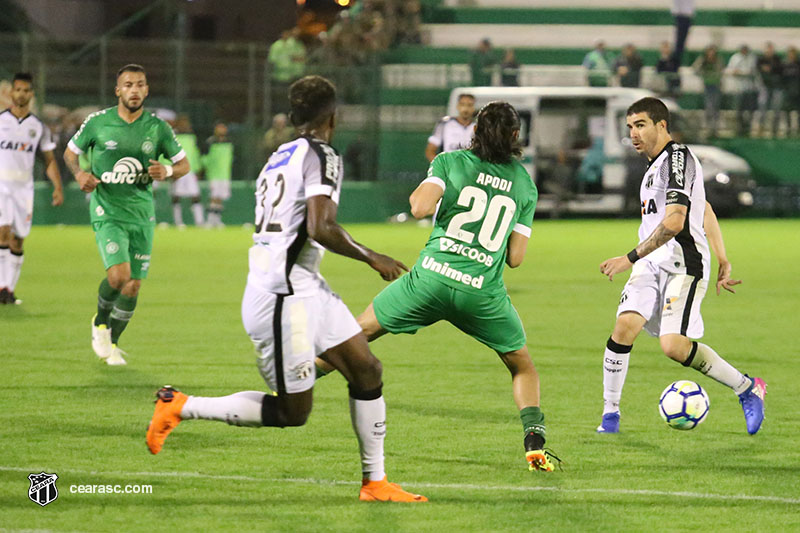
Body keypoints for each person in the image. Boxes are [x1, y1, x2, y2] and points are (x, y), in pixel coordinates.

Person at [145, 75, 427, 503]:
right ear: (334, 116)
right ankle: (180, 405)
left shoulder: (280, 153)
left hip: (304, 285)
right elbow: (321, 226)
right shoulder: (323, 155)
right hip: (282, 298)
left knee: (367, 369)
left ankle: (375, 483)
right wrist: (374, 257)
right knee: (293, 413)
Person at [319, 101, 558, 472]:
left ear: (475, 132)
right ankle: (534, 440)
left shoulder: (450, 162)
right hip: (481, 293)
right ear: (515, 136)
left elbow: (418, 208)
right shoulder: (525, 185)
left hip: (429, 279)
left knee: (355, 336)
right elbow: (515, 258)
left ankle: (291, 381)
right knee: (522, 367)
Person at [596, 97, 766, 435]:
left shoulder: (677, 159)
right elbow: (704, 210)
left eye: (641, 125)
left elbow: (674, 223)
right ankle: (610, 415)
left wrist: (627, 258)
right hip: (651, 264)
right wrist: (724, 257)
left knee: (673, 347)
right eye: (630, 127)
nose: (634, 133)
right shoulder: (653, 166)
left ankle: (747, 388)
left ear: (662, 125)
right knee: (624, 328)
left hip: (681, 264)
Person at [64, 64, 190, 365]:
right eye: (128, 84)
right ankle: (101, 323)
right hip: (107, 209)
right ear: (118, 90)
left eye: (140, 84)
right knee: (119, 276)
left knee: (133, 285)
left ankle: (113, 342)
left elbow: (183, 165)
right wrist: (80, 173)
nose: (134, 90)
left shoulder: (157, 128)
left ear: (146, 90)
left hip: (141, 212)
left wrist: (168, 170)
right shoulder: (98, 122)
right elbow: (70, 153)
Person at [0, 72, 63, 305]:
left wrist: (57, 187)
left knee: (18, 240)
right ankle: (1, 287)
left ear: (31, 94)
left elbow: (49, 160)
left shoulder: (38, 127)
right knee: (2, 232)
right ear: (11, 93)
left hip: (23, 190)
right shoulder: (1, 121)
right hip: (2, 187)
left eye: (26, 90)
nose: (22, 94)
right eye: (18, 90)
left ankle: (10, 289)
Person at [169, 114, 204, 227]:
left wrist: (198, 169)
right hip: (178, 169)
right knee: (176, 197)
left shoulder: (191, 137)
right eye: (182, 123)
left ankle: (199, 222)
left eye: (186, 123)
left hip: (191, 171)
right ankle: (178, 222)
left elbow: (194, 153)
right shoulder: (173, 136)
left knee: (195, 196)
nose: (185, 125)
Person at [425, 93, 476, 163]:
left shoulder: (479, 127)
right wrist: (441, 168)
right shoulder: (445, 124)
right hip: (449, 170)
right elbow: (430, 151)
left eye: (469, 105)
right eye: (462, 104)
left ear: (473, 108)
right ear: (457, 106)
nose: (465, 109)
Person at [203, 121, 234, 228]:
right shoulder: (210, 142)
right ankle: (210, 220)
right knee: (213, 197)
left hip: (225, 174)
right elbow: (205, 158)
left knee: (220, 198)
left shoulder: (229, 141)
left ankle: (218, 220)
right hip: (214, 174)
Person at [726, 45, 758, 136]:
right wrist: (740, 72)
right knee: (738, 110)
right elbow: (731, 70)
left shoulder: (752, 58)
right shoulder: (735, 58)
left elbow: (751, 71)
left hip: (749, 88)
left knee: (748, 110)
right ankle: (738, 129)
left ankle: (747, 128)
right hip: (738, 88)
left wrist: (741, 72)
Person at [692, 45, 723, 137]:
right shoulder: (703, 60)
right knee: (709, 107)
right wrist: (702, 70)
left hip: (716, 85)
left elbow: (720, 71)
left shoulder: (718, 60)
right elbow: (695, 68)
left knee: (715, 107)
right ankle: (708, 128)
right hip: (707, 86)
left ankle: (715, 128)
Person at [756, 42, 783, 137]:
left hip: (776, 87)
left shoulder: (777, 59)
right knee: (762, 106)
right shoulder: (761, 59)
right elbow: (759, 68)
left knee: (776, 108)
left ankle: (774, 129)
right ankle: (761, 128)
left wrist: (770, 69)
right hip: (765, 86)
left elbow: (779, 69)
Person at [782, 46, 800, 136]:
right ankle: (788, 128)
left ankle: (798, 129)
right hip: (787, 90)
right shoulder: (784, 64)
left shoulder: (798, 64)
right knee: (787, 111)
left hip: (797, 90)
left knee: (798, 111)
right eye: (790, 54)